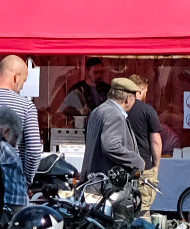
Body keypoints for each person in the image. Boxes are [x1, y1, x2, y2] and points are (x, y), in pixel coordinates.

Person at [82, 76, 145, 178]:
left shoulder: (98, 110)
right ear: (128, 99)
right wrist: (136, 161)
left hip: (95, 181)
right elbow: (111, 146)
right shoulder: (114, 115)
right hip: (107, 184)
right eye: (134, 99)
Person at [124, 76, 165, 206]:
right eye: (146, 91)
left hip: (121, 166)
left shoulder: (117, 110)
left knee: (121, 207)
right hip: (143, 166)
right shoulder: (148, 110)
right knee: (143, 206)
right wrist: (156, 166)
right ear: (140, 90)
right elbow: (156, 141)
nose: (146, 94)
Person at [0, 107, 31, 215]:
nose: (13, 146)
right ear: (6, 131)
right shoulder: (4, 148)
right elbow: (18, 204)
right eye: (14, 140)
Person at [61, 57, 115, 130]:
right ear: (87, 71)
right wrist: (79, 111)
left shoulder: (107, 89)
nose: (99, 75)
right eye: (95, 72)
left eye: (101, 72)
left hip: (104, 128)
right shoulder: (77, 89)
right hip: (83, 129)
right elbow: (65, 109)